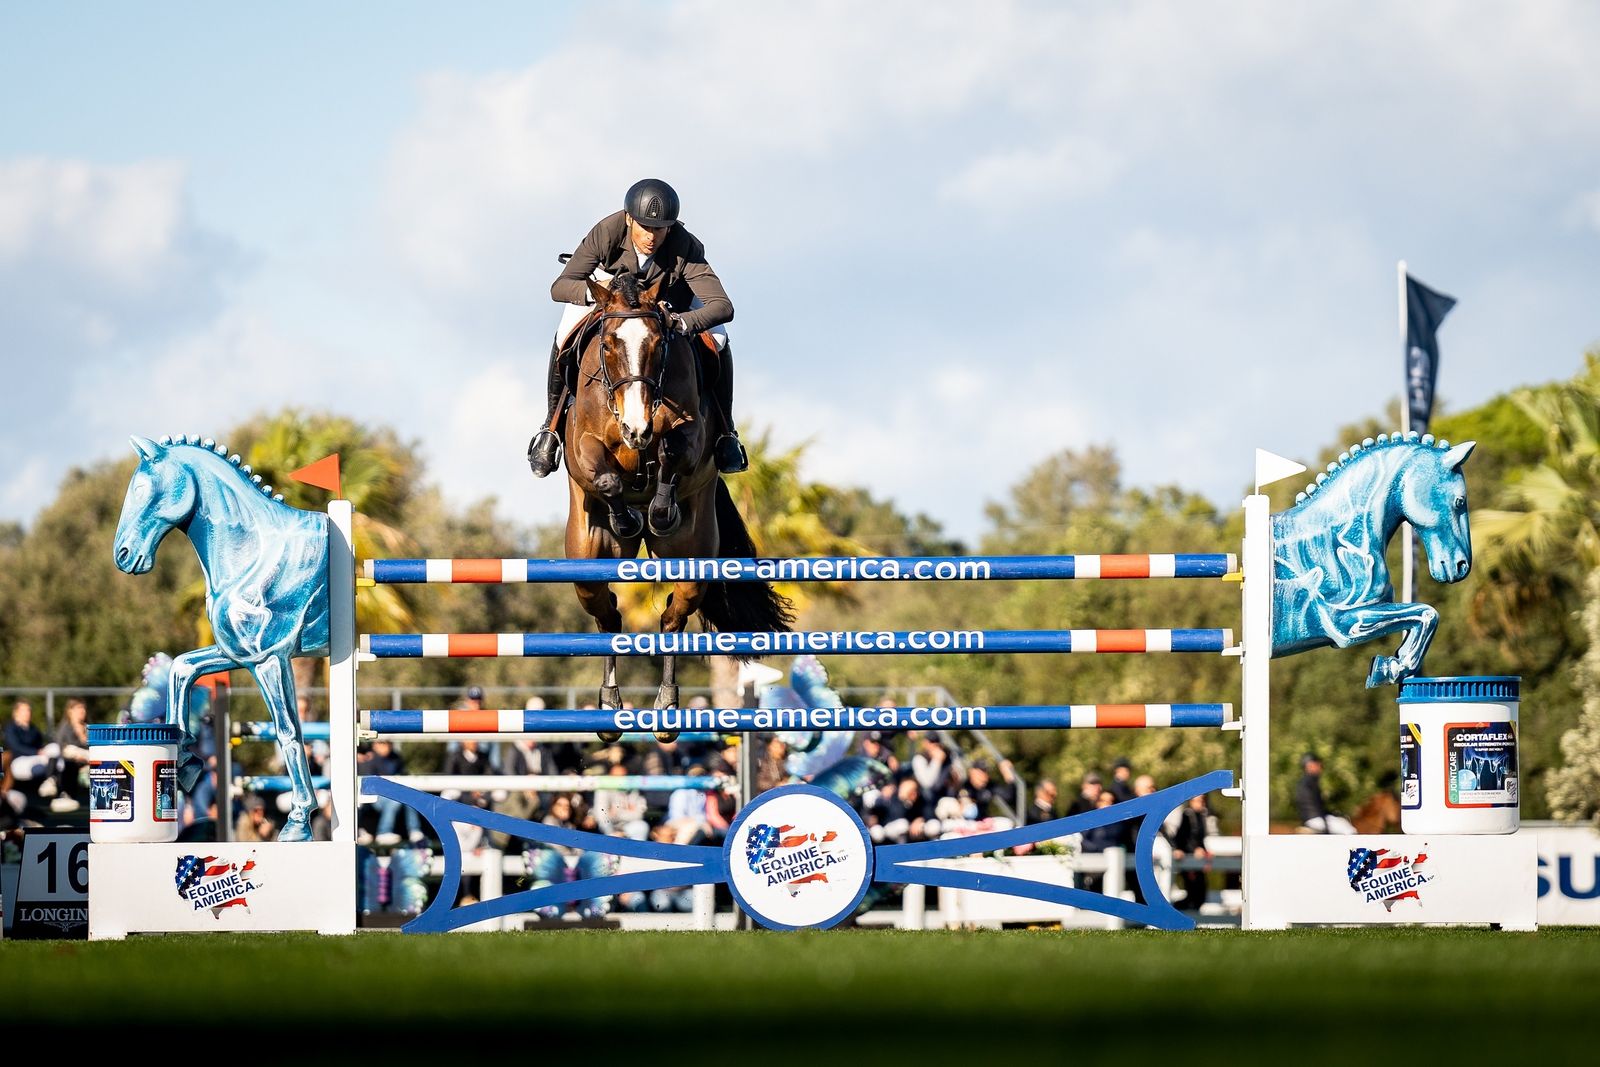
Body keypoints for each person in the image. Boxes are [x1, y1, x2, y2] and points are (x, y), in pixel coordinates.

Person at [528, 178, 745, 478]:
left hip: (668, 301)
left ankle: (726, 433)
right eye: (645, 227)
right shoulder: (607, 232)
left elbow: (723, 306)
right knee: (566, 330)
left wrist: (681, 321)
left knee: (718, 337)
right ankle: (550, 428)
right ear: (629, 219)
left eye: (660, 229)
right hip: (611, 299)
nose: (652, 237)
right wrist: (597, 292)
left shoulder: (684, 245)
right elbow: (560, 286)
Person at [1166, 794, 1211, 913]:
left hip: (1197, 858)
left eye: (1202, 801)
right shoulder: (1187, 815)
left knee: (1199, 892)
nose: (1200, 803)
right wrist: (1193, 850)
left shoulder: (1201, 816)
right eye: (1197, 801)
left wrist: (1203, 850)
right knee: (1194, 891)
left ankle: (1183, 913)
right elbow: (1182, 837)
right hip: (1188, 858)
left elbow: (1199, 839)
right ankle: (1176, 912)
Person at [1295, 753, 1356, 834]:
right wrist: (1326, 822)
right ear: (1310, 765)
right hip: (1316, 819)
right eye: (1317, 765)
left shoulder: (1305, 782)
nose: (1320, 767)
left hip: (1312, 818)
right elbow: (1316, 805)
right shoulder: (1310, 782)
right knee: (1349, 830)